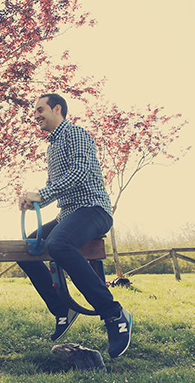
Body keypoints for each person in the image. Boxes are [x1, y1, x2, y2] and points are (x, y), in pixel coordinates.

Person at [17, 93, 132, 358]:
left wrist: (41, 195)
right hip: (67, 213)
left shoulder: (77, 135)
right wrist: (35, 202)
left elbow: (79, 173)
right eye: (34, 111)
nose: (35, 115)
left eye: (40, 109)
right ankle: (62, 309)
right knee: (26, 249)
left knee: (58, 243)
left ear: (57, 109)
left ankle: (113, 313)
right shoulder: (52, 146)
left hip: (93, 209)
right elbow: (59, 189)